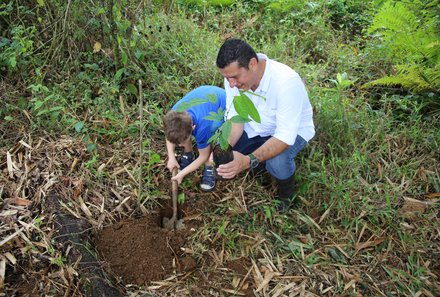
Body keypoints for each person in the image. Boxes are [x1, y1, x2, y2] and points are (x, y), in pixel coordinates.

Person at [215, 38, 315, 210]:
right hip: (256, 126)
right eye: (227, 78)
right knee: (223, 148)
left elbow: (284, 137)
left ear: (252, 64)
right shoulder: (233, 79)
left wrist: (246, 161)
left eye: (234, 77)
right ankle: (259, 172)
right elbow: (236, 118)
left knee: (276, 161)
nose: (231, 84)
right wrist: (224, 148)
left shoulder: (286, 82)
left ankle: (286, 195)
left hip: (290, 132)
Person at [164, 85, 226, 191]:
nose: (179, 146)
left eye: (182, 142)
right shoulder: (174, 113)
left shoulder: (204, 127)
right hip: (205, 96)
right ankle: (189, 155)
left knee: (217, 143)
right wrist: (171, 158)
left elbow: (203, 155)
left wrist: (182, 174)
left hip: (223, 106)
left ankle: (210, 165)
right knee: (183, 134)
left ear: (193, 128)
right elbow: (169, 134)